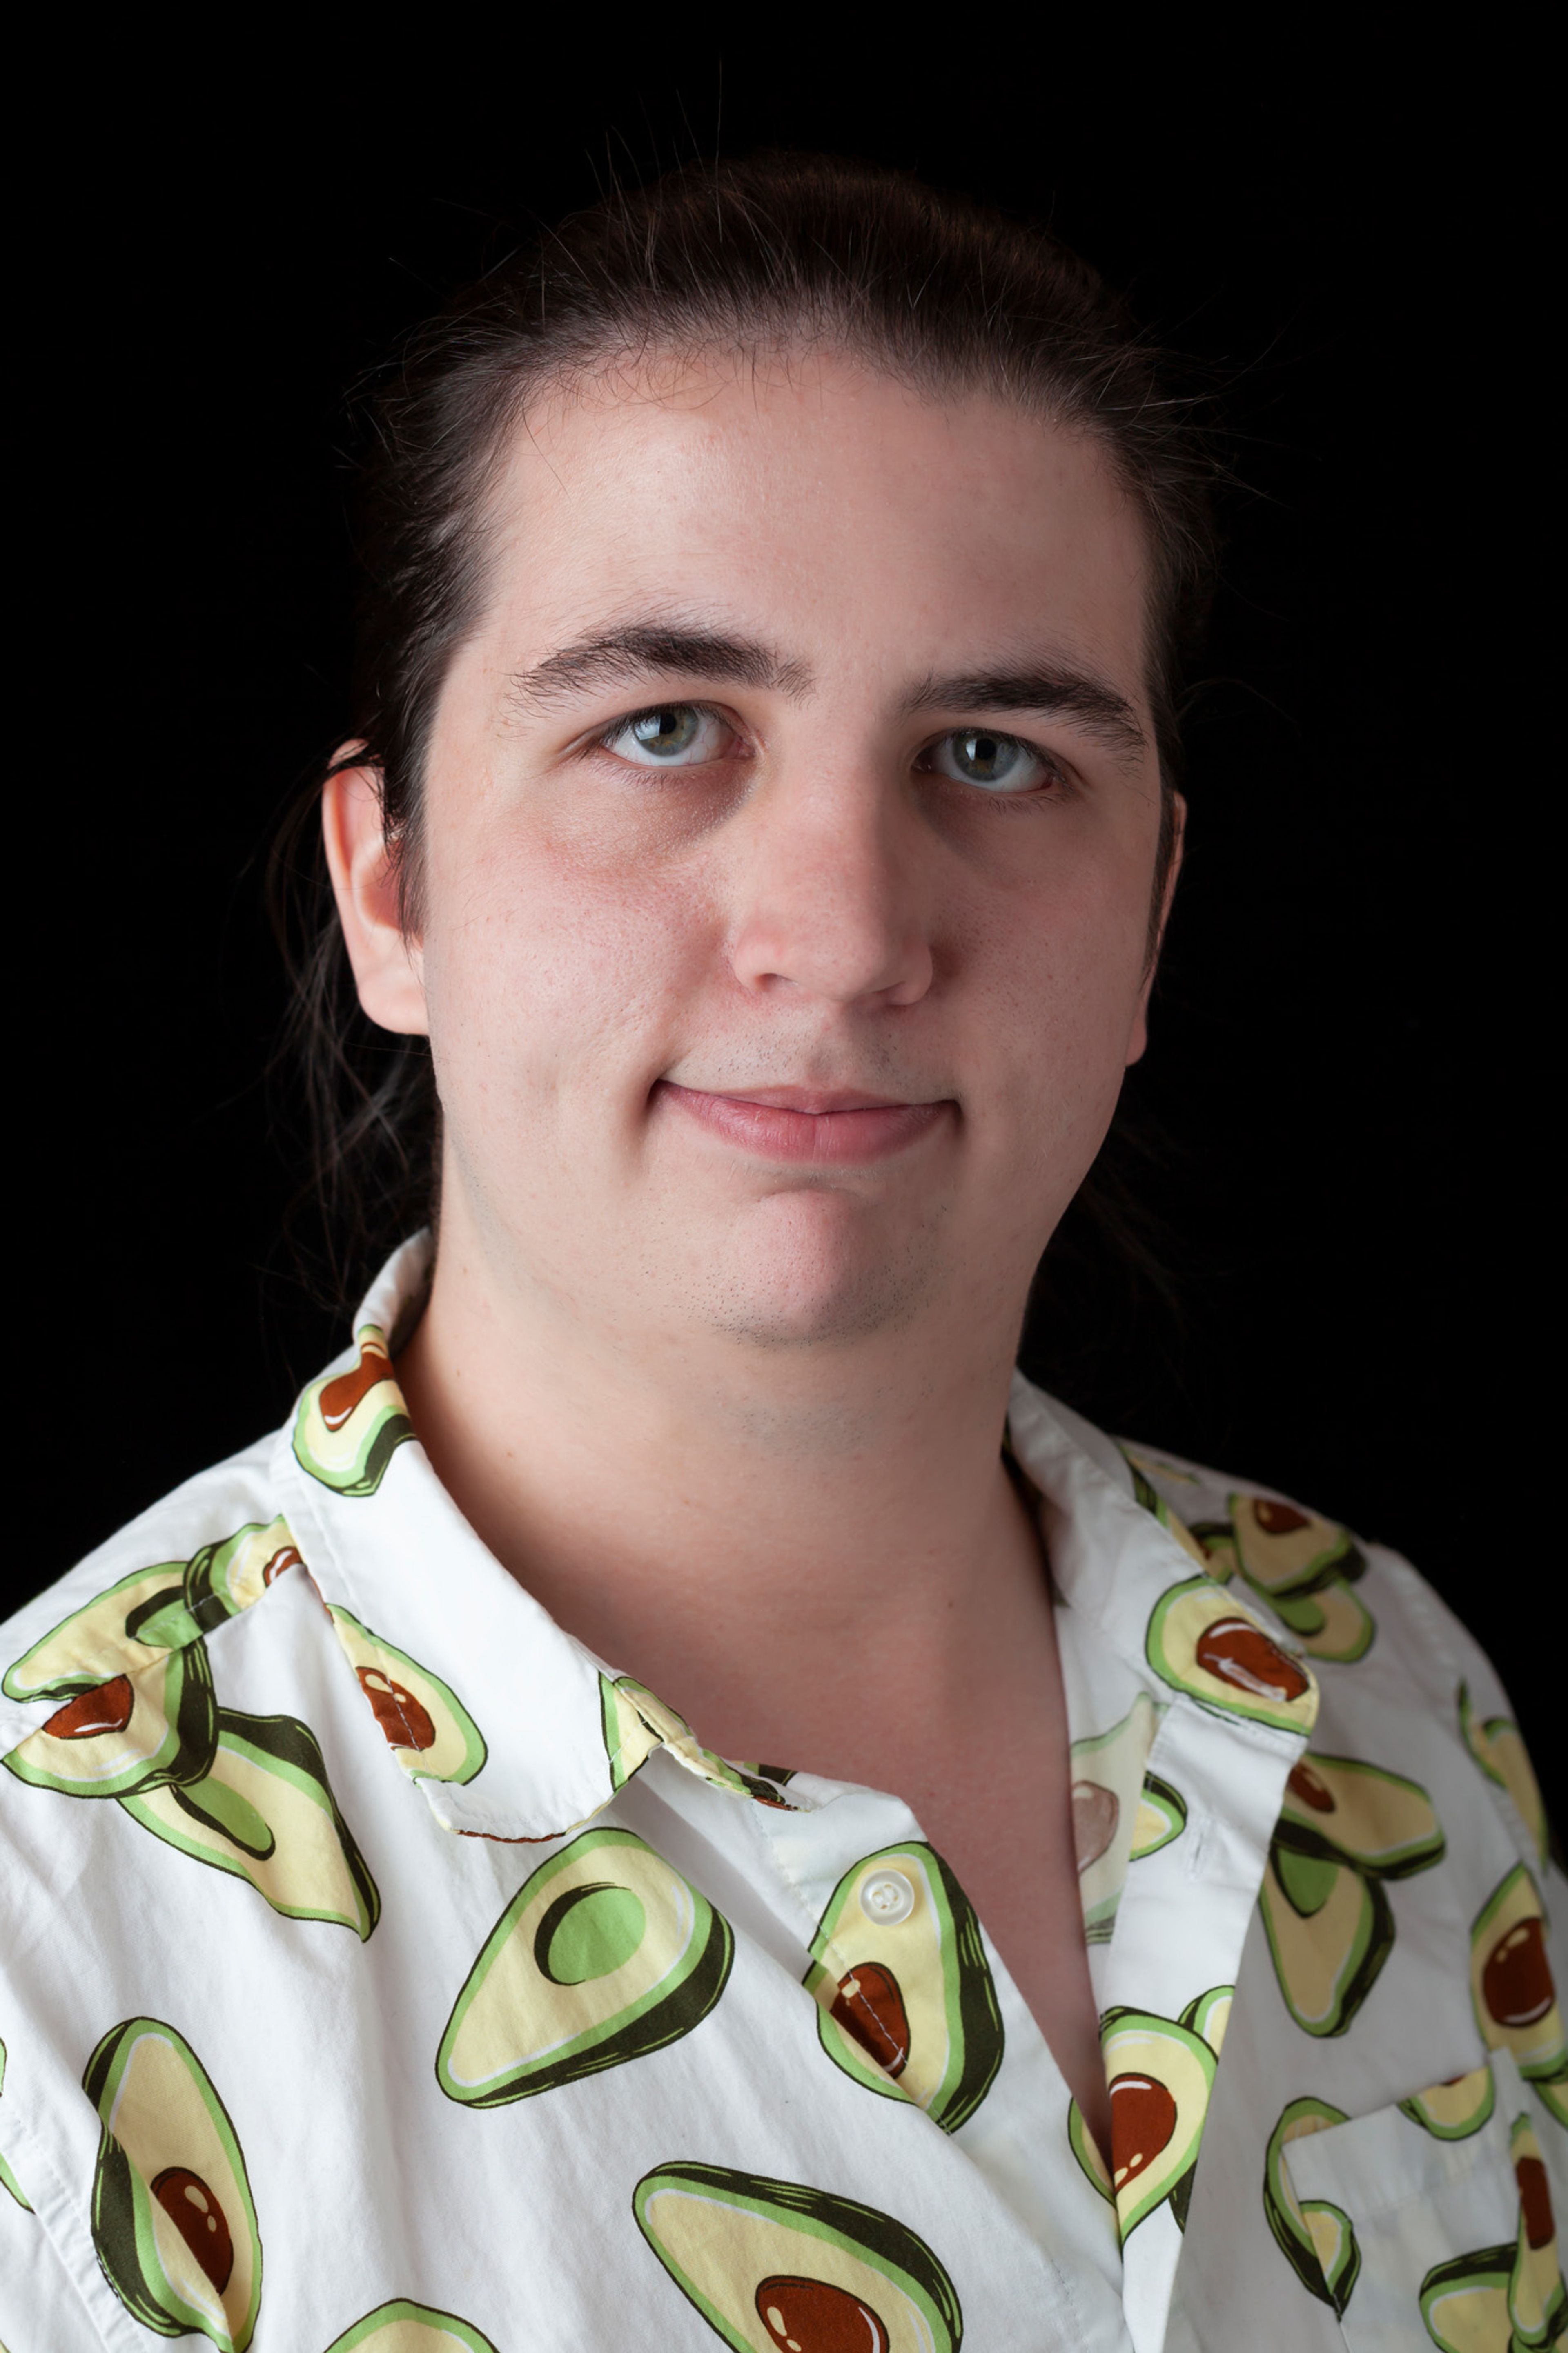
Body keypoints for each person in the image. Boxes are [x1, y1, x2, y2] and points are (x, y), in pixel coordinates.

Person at [0, 155, 1559, 2353]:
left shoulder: (1400, 1715)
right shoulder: (47, 1944)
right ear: (392, 887)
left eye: (997, 756)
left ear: (1154, 919)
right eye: (663, 729)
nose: (839, 932)